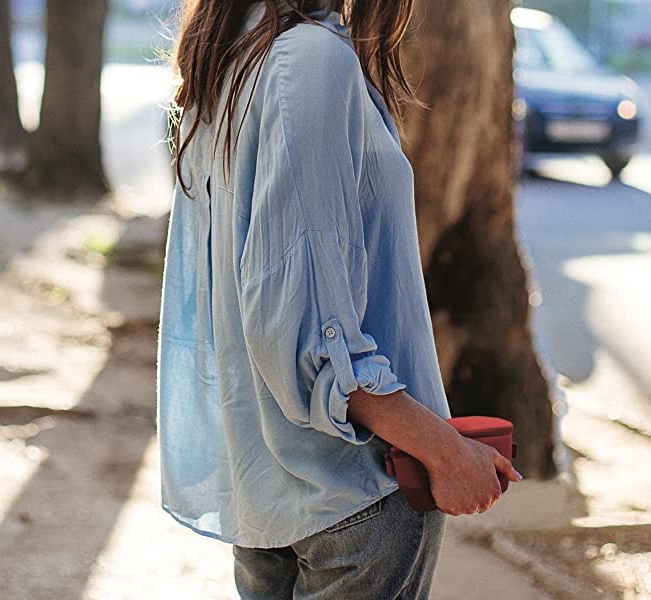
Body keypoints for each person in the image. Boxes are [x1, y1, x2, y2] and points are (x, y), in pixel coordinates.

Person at [158, 1, 523, 598]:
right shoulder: (308, 58)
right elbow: (307, 324)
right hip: (352, 492)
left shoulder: (231, 52)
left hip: (271, 495)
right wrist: (445, 452)